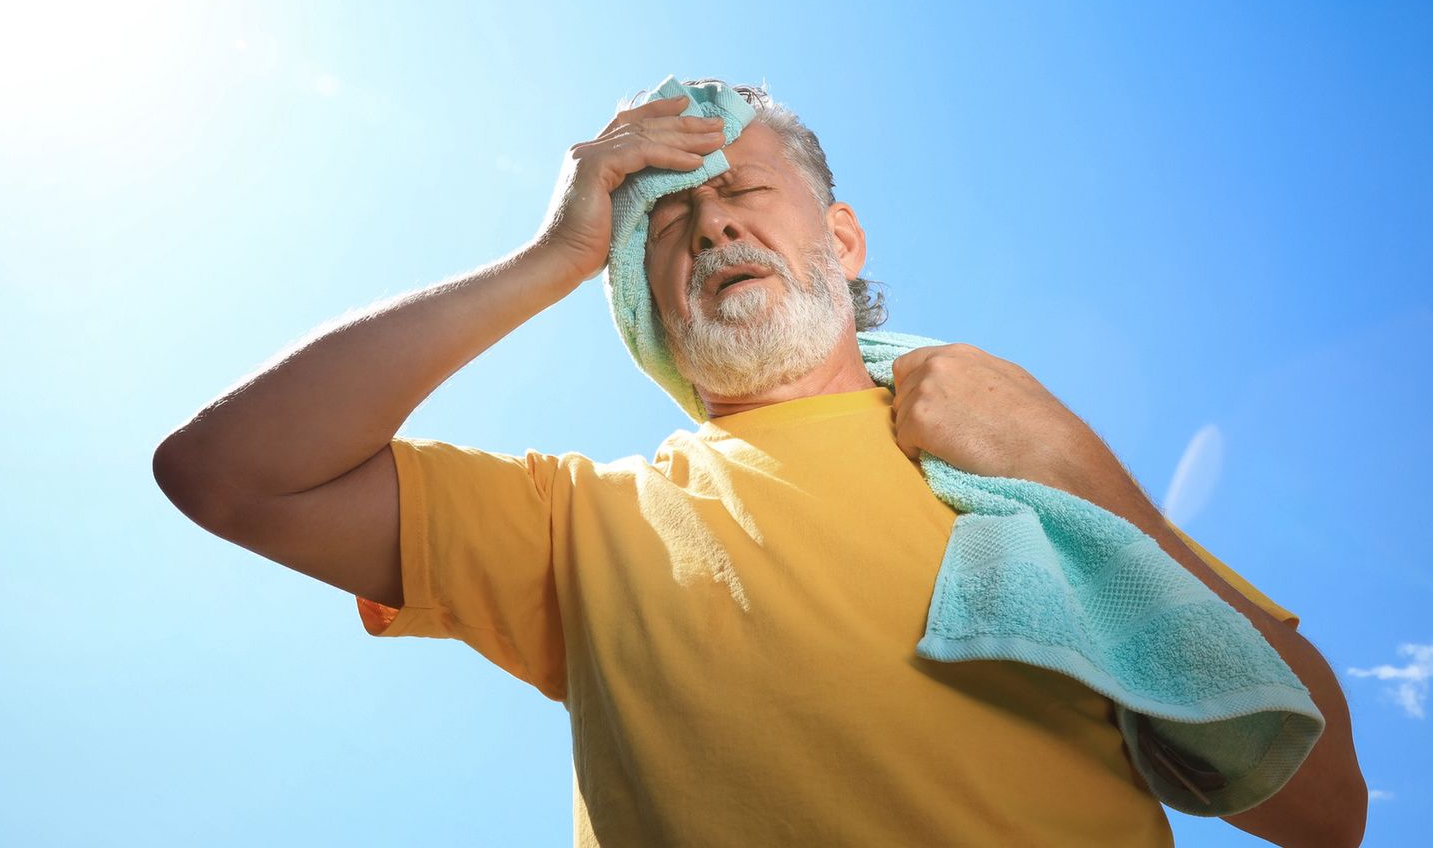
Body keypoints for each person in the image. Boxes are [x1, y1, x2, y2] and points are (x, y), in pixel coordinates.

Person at [152, 81, 1367, 847]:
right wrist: (553, 253)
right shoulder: (579, 524)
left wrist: (1066, 463)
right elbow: (229, 474)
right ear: (642, 303)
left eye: (740, 192)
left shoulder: (1022, 481)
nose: (712, 223)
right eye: (666, 225)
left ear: (837, 237)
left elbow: (1324, 813)